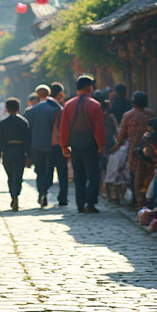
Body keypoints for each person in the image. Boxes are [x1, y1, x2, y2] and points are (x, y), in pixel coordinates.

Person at [59, 75, 106, 213]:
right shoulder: (95, 105)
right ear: (89, 87)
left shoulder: (68, 105)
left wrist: (64, 145)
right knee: (93, 174)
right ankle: (90, 203)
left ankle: (80, 204)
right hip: (90, 144)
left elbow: (64, 127)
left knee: (79, 176)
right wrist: (100, 145)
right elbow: (99, 128)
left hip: (75, 145)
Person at [113, 91, 154, 205]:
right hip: (150, 149)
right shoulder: (150, 114)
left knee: (136, 176)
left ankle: (139, 202)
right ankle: (149, 200)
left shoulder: (128, 115)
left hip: (133, 149)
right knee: (149, 175)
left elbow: (121, 135)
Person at [0, 98, 31, 210]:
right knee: (18, 176)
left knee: (10, 176)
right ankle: (16, 194)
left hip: (7, 151)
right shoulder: (23, 122)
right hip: (20, 151)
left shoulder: (3, 123)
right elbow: (28, 140)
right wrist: (29, 156)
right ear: (18, 108)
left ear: (6, 109)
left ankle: (13, 195)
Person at [24, 85, 58, 207]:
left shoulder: (30, 111)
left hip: (36, 145)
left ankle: (41, 192)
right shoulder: (54, 109)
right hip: (51, 144)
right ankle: (45, 189)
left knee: (39, 170)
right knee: (49, 170)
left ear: (37, 94)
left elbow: (26, 131)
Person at [48, 82, 69, 207]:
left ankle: (43, 193)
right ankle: (63, 197)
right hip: (59, 144)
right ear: (60, 94)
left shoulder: (42, 107)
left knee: (47, 171)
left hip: (47, 145)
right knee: (62, 173)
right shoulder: (60, 109)